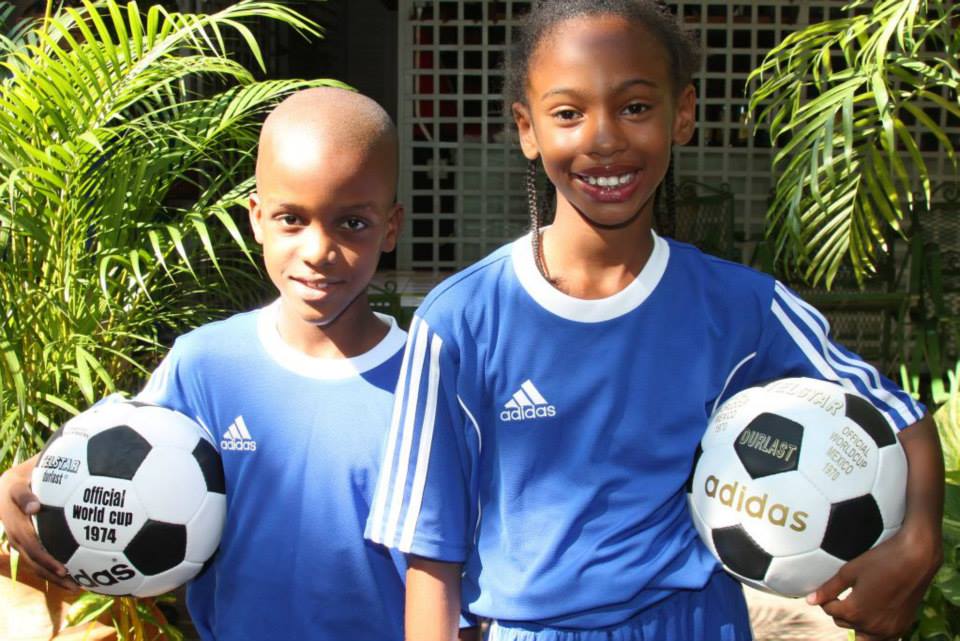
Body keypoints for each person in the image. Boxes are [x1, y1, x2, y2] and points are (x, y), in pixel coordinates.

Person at [364, 2, 944, 641]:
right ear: (527, 129)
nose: (603, 138)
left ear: (683, 114)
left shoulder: (742, 305)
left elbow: (896, 412)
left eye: (635, 107)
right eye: (568, 113)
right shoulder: (462, 319)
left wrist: (920, 541)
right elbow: (430, 548)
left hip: (696, 622)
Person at [0, 87, 475, 641]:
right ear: (256, 218)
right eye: (291, 219)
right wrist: (22, 479)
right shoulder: (206, 364)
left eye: (352, 224)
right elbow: (115, 450)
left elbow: (454, 574)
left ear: (391, 227)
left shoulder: (431, 382)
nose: (318, 251)